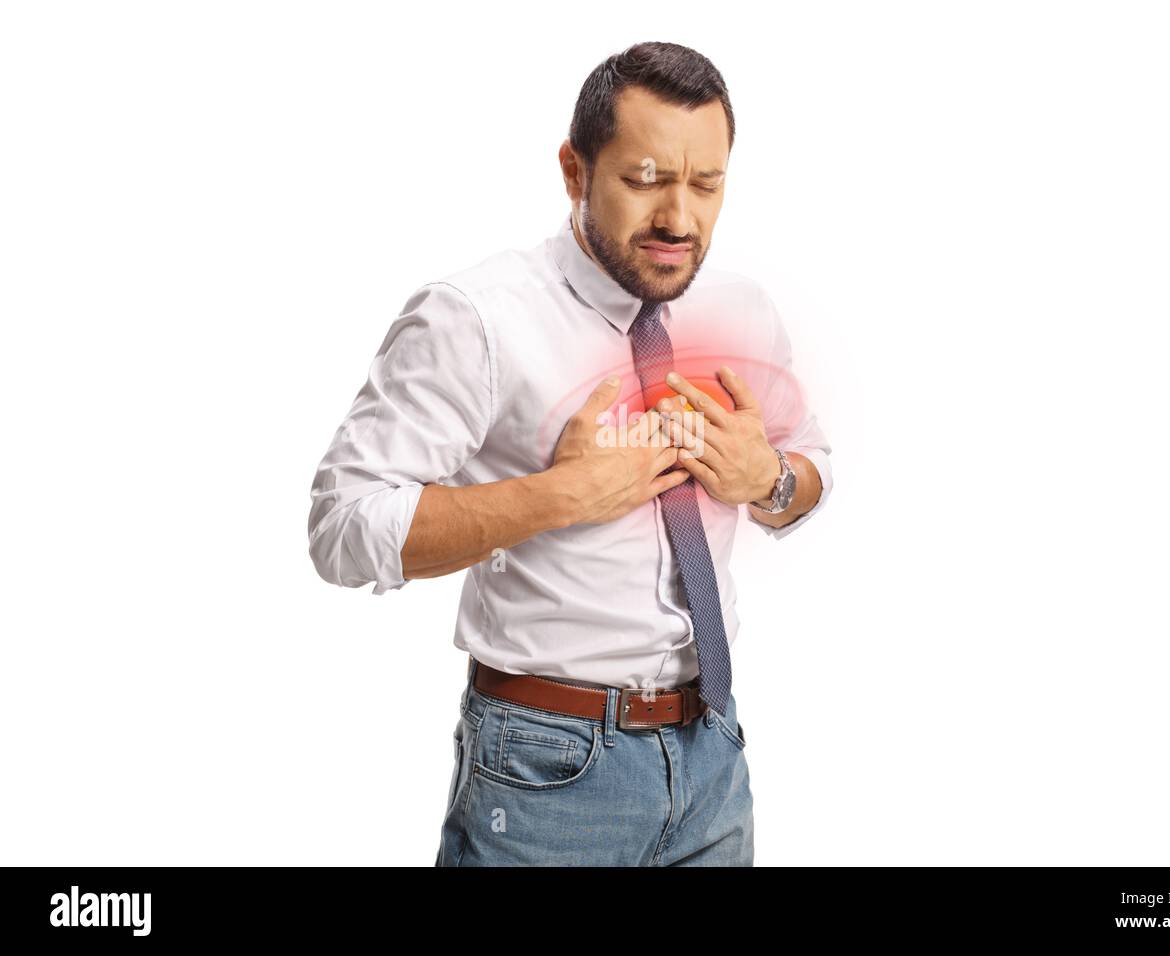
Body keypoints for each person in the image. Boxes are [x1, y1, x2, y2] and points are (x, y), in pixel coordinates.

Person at [307, 41, 833, 866]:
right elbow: (343, 528)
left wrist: (765, 479)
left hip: (713, 755)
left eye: (706, 184)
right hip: (545, 766)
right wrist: (559, 496)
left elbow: (810, 469)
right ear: (574, 170)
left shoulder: (742, 310)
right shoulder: (474, 318)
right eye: (645, 179)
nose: (679, 219)